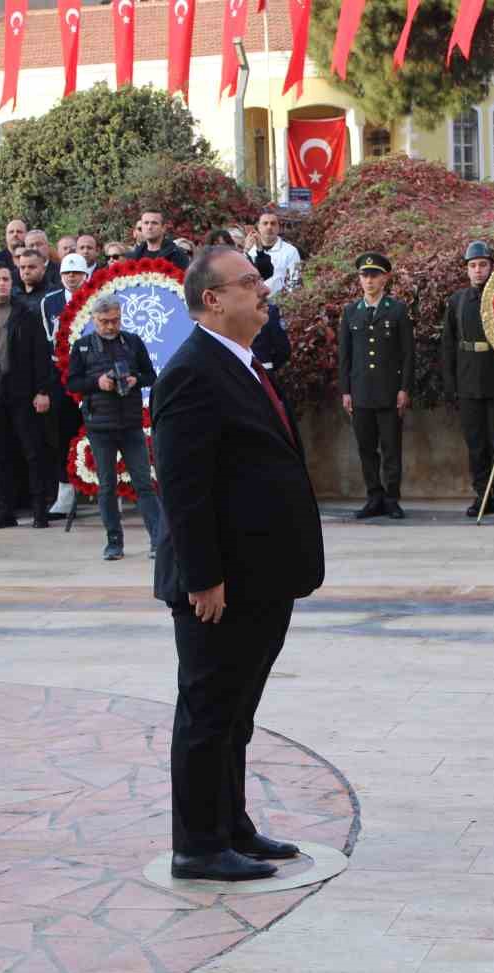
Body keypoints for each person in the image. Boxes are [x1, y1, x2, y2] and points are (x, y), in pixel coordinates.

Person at [151, 246, 323, 881]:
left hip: (261, 576)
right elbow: (183, 485)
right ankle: (197, 845)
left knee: (236, 713)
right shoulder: (191, 370)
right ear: (212, 300)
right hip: (219, 585)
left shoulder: (242, 362)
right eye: (248, 282)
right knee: (207, 711)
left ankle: (231, 826)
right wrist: (203, 578)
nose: (262, 289)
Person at [66, 293, 161, 560]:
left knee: (144, 483)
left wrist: (134, 380)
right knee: (107, 486)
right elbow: (72, 383)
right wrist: (98, 383)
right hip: (99, 426)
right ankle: (114, 542)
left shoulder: (132, 341)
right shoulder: (83, 346)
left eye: (116, 320)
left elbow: (150, 375)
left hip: (130, 423)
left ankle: (157, 539)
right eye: (105, 321)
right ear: (94, 320)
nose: (111, 326)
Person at [0, 263, 55, 530]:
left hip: (23, 391)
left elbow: (41, 355)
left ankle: (40, 509)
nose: (2, 283)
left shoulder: (26, 314)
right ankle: (5, 510)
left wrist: (42, 390)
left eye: (6, 278)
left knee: (32, 451)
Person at [442, 240, 494, 518]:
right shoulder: (457, 301)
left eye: (483, 265)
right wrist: (451, 383)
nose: (477, 271)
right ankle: (481, 493)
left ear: (491, 268)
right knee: (475, 440)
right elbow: (448, 344)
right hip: (468, 379)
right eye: (472, 266)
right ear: (466, 270)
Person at [337, 252, 413, 520]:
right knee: (366, 448)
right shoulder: (350, 312)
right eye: (364, 275)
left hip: (389, 391)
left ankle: (392, 498)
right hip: (360, 393)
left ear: (385, 278)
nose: (369, 280)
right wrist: (346, 391)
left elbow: (407, 354)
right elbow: (344, 356)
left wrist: (404, 388)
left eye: (374, 275)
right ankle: (374, 496)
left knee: (391, 447)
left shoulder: (397, 310)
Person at [38, 253, 90, 520]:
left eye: (77, 273)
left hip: (91, 373)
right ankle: (65, 492)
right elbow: (48, 341)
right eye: (68, 274)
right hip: (61, 374)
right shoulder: (50, 302)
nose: (72, 277)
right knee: (61, 434)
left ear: (85, 275)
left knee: (96, 430)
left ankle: (105, 491)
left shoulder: (96, 297)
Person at [244, 211, 301, 296]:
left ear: (279, 228)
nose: (269, 227)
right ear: (258, 227)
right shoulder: (250, 250)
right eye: (265, 223)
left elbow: (294, 281)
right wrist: (245, 250)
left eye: (273, 223)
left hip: (279, 304)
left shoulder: (290, 251)